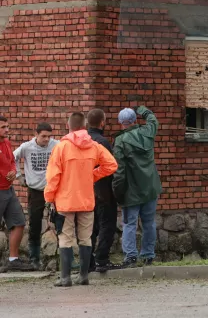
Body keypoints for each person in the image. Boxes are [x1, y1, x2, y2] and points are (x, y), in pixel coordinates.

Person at [45, 111, 117, 287]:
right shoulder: (94, 146)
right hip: (86, 200)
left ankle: (65, 277)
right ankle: (84, 276)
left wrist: (49, 197)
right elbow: (112, 165)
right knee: (85, 238)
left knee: (65, 238)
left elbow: (53, 177)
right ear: (84, 126)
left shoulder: (61, 147)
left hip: (65, 200)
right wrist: (92, 175)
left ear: (68, 126)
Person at [112, 106, 162, 268]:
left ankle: (131, 256)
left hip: (131, 191)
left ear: (121, 123)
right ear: (135, 120)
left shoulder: (120, 141)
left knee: (129, 224)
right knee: (149, 223)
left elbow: (119, 171)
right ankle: (148, 255)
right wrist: (143, 109)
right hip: (150, 187)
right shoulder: (148, 132)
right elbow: (153, 119)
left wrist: (117, 192)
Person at [13, 121, 59, 269]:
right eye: (43, 136)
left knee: (61, 221)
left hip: (53, 189)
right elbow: (12, 158)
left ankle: (64, 257)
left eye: (49, 136)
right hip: (35, 191)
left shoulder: (56, 145)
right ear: (36, 134)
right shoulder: (27, 147)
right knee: (34, 224)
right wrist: (19, 176)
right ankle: (35, 258)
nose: (46, 139)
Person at [86, 108, 120, 272]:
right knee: (107, 225)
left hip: (85, 191)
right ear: (102, 122)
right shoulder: (102, 142)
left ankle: (89, 261)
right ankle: (102, 259)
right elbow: (111, 167)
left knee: (90, 228)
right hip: (103, 190)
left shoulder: (82, 141)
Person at [0, 115, 34, 271]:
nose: (7, 130)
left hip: (9, 189)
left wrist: (13, 171)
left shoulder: (6, 142)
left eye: (7, 126)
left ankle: (13, 260)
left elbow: (12, 161)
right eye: (3, 127)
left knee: (19, 222)